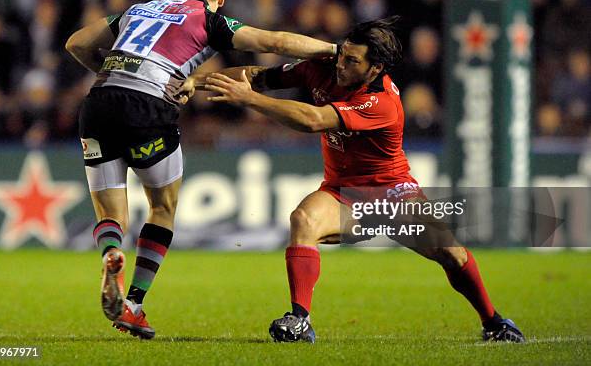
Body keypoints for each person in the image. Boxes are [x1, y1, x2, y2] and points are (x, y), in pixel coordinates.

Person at [197, 18, 525, 344]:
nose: (341, 64)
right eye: (342, 55)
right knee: (303, 219)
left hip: (392, 192)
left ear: (374, 68)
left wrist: (250, 100)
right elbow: (255, 77)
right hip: (342, 192)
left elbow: (313, 120)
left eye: (352, 61)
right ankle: (299, 320)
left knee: (451, 253)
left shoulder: (381, 102)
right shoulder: (323, 66)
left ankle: (494, 322)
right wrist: (195, 82)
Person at [65, 0, 336, 340]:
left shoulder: (140, 9)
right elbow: (274, 42)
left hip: (98, 102)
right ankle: (135, 301)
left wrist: (116, 75)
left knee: (111, 213)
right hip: (149, 108)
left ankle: (111, 252)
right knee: (162, 207)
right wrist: (333, 49)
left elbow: (75, 42)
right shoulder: (210, 20)